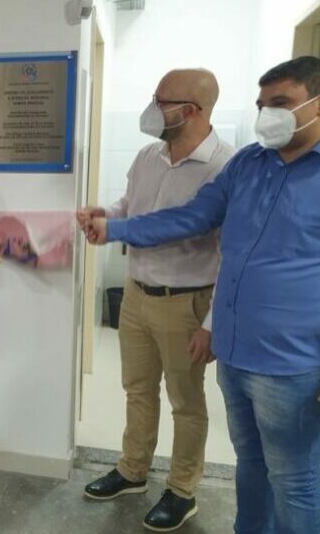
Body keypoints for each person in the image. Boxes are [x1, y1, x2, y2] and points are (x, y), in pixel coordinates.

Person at [83, 56, 320, 534]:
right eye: (261, 105)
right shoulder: (250, 164)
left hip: (297, 365)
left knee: (293, 480)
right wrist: (115, 227)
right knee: (251, 466)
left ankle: (183, 491)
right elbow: (192, 216)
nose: (267, 115)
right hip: (237, 353)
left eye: (280, 103)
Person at [77, 68, 234, 532]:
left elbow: (230, 252)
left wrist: (211, 324)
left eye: (161, 101)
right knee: (138, 390)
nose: (152, 108)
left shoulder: (225, 166)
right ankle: (132, 470)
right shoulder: (148, 155)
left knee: (186, 402)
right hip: (136, 295)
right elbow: (131, 207)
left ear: (192, 110)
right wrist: (105, 213)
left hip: (185, 303)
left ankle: (182, 490)